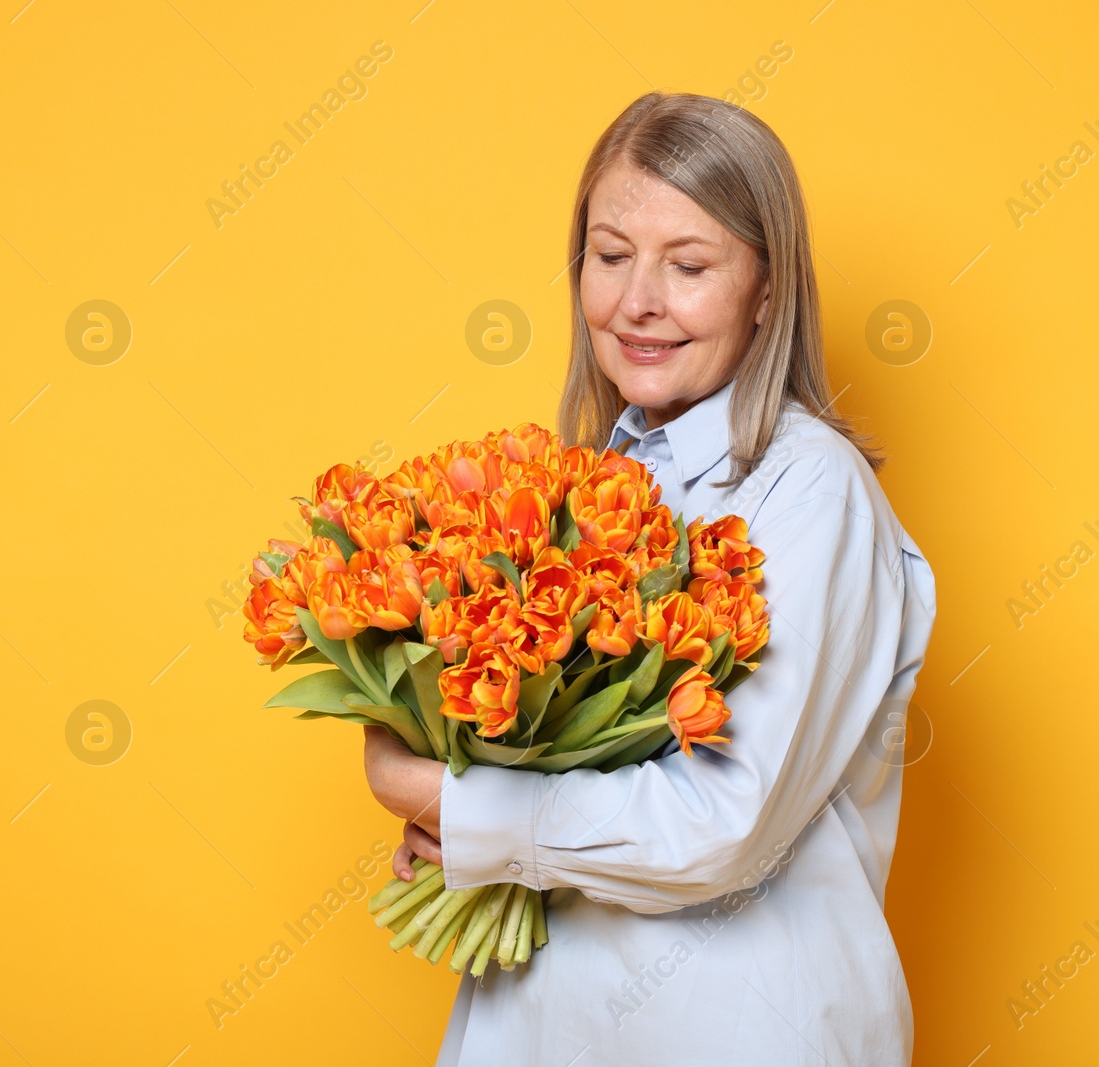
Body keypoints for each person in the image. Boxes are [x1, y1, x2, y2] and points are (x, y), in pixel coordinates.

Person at [362, 91, 937, 1066]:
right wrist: (473, 836)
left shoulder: (810, 494)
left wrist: (458, 805)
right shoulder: (589, 488)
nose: (638, 301)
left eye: (691, 265)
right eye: (612, 253)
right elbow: (578, 783)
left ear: (768, 288)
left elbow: (725, 826)